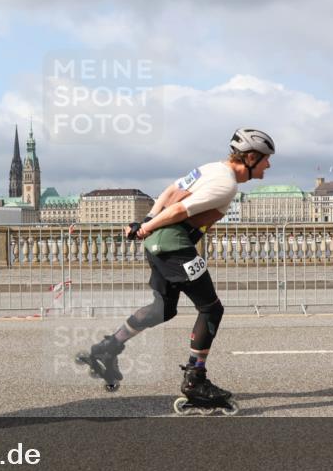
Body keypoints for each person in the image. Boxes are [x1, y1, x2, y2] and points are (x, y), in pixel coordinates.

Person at [75, 128, 275, 414]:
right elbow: (180, 209)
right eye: (266, 160)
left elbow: (170, 191)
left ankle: (108, 348)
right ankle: (195, 380)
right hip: (174, 245)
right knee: (211, 309)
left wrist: (146, 221)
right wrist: (146, 226)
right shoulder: (226, 184)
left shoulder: (211, 169)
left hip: (161, 245)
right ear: (252, 158)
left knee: (164, 309)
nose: (268, 166)